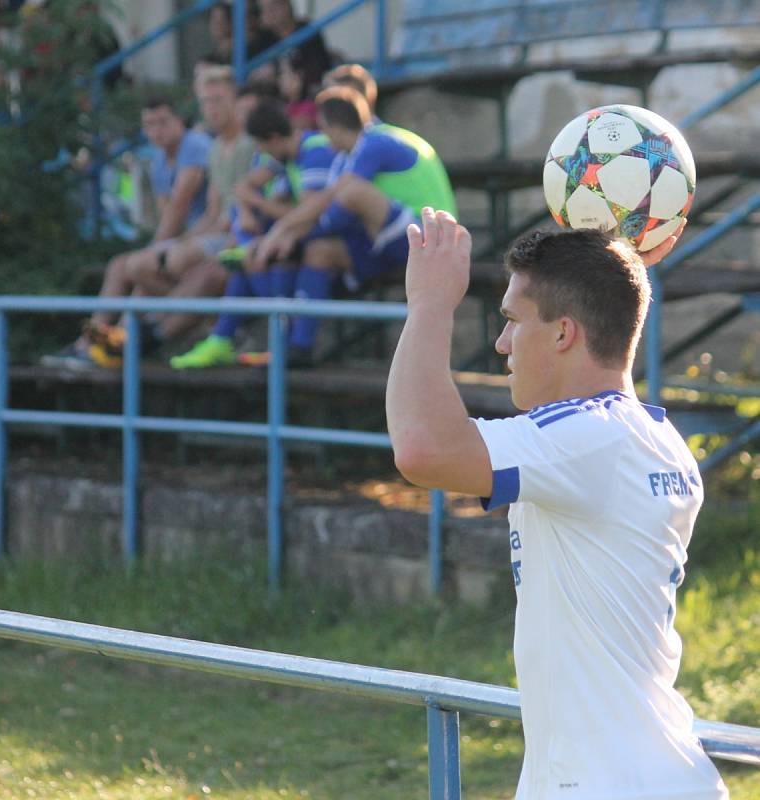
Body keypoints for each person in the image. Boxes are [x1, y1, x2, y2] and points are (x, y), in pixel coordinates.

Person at [385, 211, 729, 800]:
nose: (500, 344)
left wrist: (430, 304)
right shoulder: (648, 436)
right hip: (638, 777)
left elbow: (423, 448)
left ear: (564, 333)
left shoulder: (588, 437)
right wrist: (614, 265)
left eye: (513, 322)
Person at [252, 85, 456, 362]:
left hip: (430, 239)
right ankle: (299, 346)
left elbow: (333, 199)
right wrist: (293, 235)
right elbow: (328, 206)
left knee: (351, 194)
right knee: (319, 251)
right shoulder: (348, 156)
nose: (320, 136)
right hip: (392, 239)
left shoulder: (375, 142)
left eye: (322, 128)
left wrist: (285, 230)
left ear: (332, 125)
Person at [42, 95, 217, 368]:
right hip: (183, 244)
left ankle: (115, 344)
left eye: (163, 122)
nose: (156, 131)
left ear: (179, 121)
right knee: (120, 266)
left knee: (136, 267)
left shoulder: (195, 146)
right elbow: (166, 212)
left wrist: (152, 251)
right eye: (149, 125)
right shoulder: (160, 157)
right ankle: (91, 343)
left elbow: (179, 208)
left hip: (203, 241)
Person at [170, 97, 336, 369]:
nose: (260, 153)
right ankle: (225, 340)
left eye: (260, 146)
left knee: (260, 259)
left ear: (272, 139)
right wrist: (246, 211)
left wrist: (258, 205)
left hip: (328, 236)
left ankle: (277, 344)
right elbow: (243, 187)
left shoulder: (314, 151)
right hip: (300, 234)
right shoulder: (284, 154)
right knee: (248, 259)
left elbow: (310, 212)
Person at [259, 0, 332, 97]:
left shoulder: (307, 31)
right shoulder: (264, 37)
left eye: (273, 7)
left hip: (308, 94)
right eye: (263, 9)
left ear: (286, 6)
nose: (269, 13)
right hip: (274, 97)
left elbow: (319, 66)